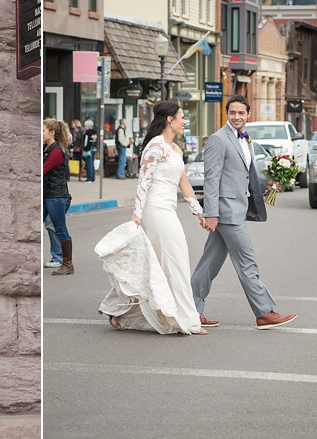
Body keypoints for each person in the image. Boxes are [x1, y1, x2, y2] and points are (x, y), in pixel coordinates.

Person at [98, 101, 208, 334]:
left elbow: (184, 183)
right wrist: (137, 216)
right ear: (170, 120)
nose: (184, 121)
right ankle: (189, 320)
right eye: (181, 117)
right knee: (176, 261)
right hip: (155, 210)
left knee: (161, 265)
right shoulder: (155, 146)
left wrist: (199, 212)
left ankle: (123, 311)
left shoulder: (175, 149)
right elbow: (143, 183)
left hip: (169, 209)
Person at [191, 94, 297, 330]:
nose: (236, 117)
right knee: (247, 262)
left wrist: (267, 184)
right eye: (232, 113)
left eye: (241, 113)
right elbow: (212, 179)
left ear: (249, 114)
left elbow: (243, 175)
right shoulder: (218, 139)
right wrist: (211, 213)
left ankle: (190, 310)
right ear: (226, 114)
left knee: (208, 264)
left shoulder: (244, 139)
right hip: (227, 213)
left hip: (235, 209)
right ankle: (264, 313)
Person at [44, 118, 74, 276]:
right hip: (47, 194)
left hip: (56, 196)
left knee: (60, 229)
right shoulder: (46, 148)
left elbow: (43, 169)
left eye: (42, 130)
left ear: (51, 132)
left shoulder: (56, 151)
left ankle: (67, 264)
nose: (40, 133)